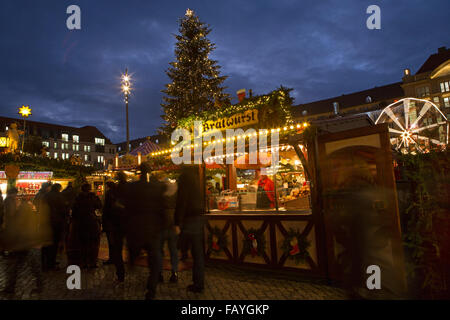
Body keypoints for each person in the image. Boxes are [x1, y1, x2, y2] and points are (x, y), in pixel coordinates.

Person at [124, 163, 167, 300]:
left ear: (139, 172)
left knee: (135, 249)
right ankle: (151, 289)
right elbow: (162, 209)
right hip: (153, 229)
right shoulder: (158, 187)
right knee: (155, 261)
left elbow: (127, 208)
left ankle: (132, 259)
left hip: (136, 228)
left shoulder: (133, 187)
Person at [0, 188, 43, 296]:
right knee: (17, 265)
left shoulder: (19, 209)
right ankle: (38, 284)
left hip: (21, 241)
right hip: (24, 240)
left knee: (15, 265)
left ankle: (11, 287)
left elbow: (16, 224)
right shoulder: (24, 207)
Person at [174, 165, 205, 293]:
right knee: (198, 254)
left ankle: (195, 282)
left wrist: (177, 222)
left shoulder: (184, 179)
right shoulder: (196, 179)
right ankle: (199, 282)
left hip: (189, 219)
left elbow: (182, 201)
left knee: (179, 246)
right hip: (198, 218)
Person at [71, 183, 102, 268]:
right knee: (93, 243)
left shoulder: (78, 198)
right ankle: (92, 262)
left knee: (82, 243)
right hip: (91, 222)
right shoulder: (93, 197)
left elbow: (74, 211)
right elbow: (99, 206)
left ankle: (83, 262)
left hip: (81, 223)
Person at [102, 178, 127, 282]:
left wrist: (105, 222)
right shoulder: (122, 195)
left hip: (113, 224)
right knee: (117, 245)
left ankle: (119, 270)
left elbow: (106, 209)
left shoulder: (109, 195)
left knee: (114, 245)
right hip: (121, 223)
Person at [41, 183, 68, 270]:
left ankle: (45, 262)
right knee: (54, 243)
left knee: (46, 243)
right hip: (56, 221)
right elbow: (63, 208)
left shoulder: (46, 196)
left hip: (46, 221)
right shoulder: (58, 196)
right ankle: (51, 263)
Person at [159, 177, 179, 283]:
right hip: (172, 224)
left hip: (161, 224)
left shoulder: (159, 193)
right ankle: (174, 272)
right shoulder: (175, 193)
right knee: (173, 250)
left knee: (160, 250)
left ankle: (159, 273)